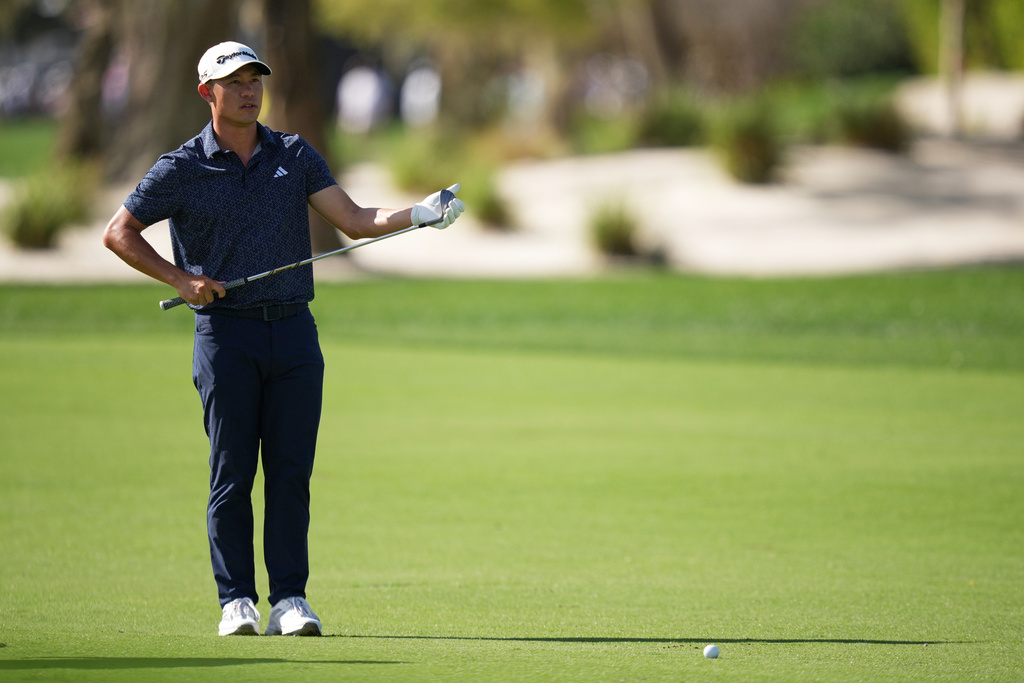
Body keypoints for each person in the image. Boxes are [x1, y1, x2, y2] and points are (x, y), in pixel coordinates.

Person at [102, 41, 464, 637]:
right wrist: (181, 280)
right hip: (226, 335)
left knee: (291, 472)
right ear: (208, 92)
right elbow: (120, 232)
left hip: (294, 333)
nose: (249, 91)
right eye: (235, 82)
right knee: (233, 472)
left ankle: (289, 600)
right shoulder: (181, 167)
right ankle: (236, 600)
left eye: (255, 80)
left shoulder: (293, 154)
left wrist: (418, 214)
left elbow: (355, 220)